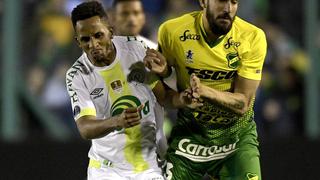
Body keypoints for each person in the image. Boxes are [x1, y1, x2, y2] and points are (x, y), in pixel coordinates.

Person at [66, 1, 200, 179]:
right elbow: (85, 128)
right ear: (78, 42)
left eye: (98, 35)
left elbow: (164, 97)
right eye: (85, 39)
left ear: (111, 31)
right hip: (107, 170)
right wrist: (117, 121)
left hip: (147, 166)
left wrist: (183, 100)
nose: (94, 44)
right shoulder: (77, 75)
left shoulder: (137, 50)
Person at [144, 0, 267, 179]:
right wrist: (164, 72)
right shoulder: (172, 31)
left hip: (236, 139)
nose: (227, 9)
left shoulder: (252, 37)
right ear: (203, 2)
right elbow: (165, 96)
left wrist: (205, 91)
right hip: (191, 137)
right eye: (221, 1)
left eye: (233, 2)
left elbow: (243, 104)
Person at [111, 0, 167, 160]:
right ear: (113, 17)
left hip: (153, 150)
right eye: (125, 13)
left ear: (143, 18)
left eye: (136, 13)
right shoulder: (98, 57)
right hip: (113, 154)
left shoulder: (157, 53)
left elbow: (172, 97)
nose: (131, 19)